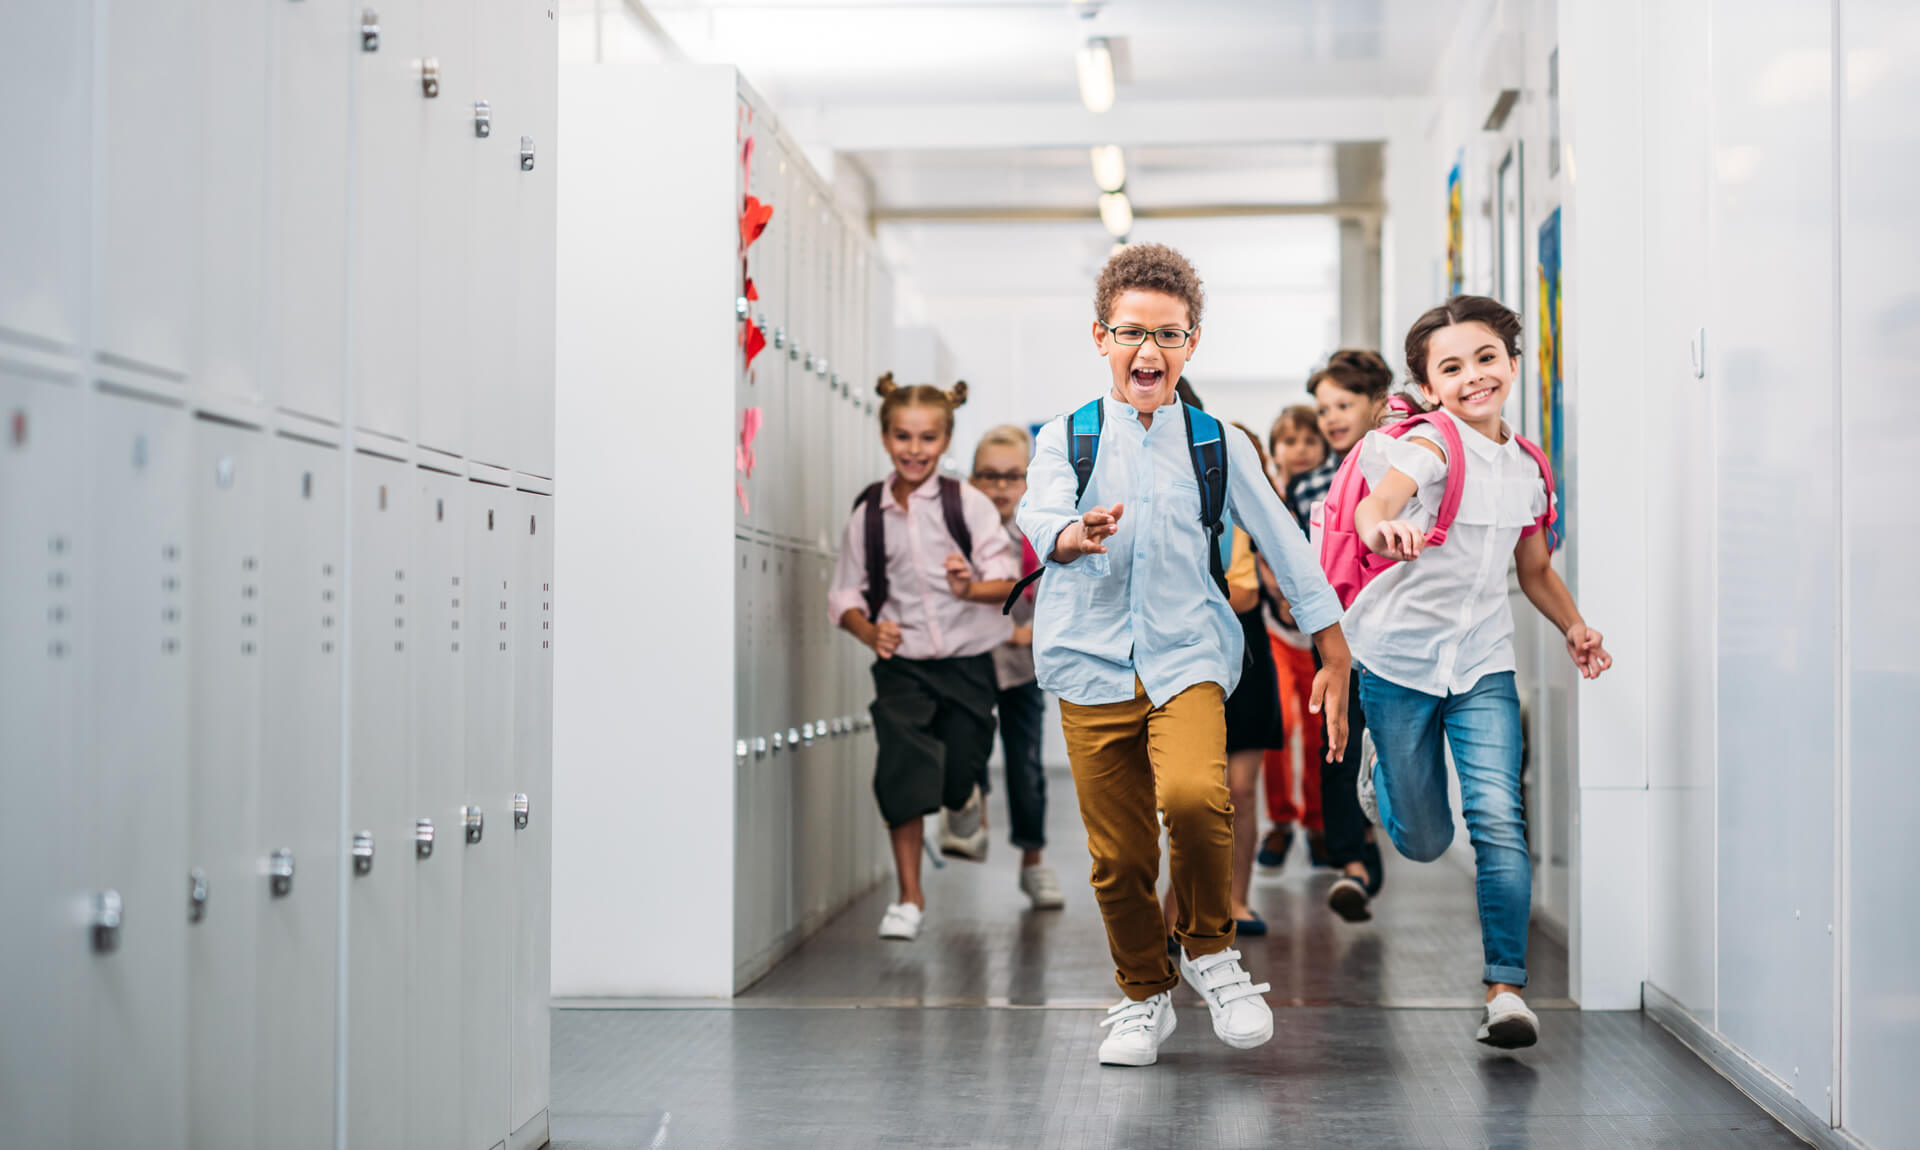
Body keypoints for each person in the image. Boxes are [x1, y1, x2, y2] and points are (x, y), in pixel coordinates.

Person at [1016, 244, 1351, 1068]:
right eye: (1132, 334)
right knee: (1118, 857)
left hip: (1187, 655)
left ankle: (1209, 951)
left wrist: (1335, 651)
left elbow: (1284, 541)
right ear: (1102, 337)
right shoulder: (1066, 437)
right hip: (1090, 662)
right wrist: (1071, 534)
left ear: (1192, 344)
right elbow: (1039, 515)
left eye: (1168, 336)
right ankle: (1141, 996)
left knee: (1201, 799)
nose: (1149, 352)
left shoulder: (1217, 443)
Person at [1347, 295, 1610, 1048]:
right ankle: (1385, 773)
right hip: (1396, 659)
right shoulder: (1429, 446)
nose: (1473, 377)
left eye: (1486, 358)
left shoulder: (1528, 466)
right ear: (1430, 387)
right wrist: (1386, 525)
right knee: (1426, 840)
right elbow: (1375, 508)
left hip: (1484, 661)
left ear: (1513, 365)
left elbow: (1533, 569)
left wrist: (1575, 626)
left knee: (1498, 819)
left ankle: (1505, 990)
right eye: (1451, 367)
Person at [828, 377, 1020, 942]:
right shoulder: (869, 513)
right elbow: (844, 593)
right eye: (903, 437)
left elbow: (1007, 580)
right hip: (903, 662)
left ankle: (965, 798)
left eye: (928, 438)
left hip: (966, 662)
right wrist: (870, 631)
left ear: (946, 440)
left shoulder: (970, 505)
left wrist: (969, 588)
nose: (915, 449)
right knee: (902, 768)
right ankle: (909, 896)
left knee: (961, 765)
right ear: (886, 437)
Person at [1289, 350, 1396, 922]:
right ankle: (1351, 862)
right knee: (1336, 741)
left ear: (1377, 403)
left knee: (1386, 743)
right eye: (1322, 407)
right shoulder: (1307, 485)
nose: (1329, 418)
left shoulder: (1402, 467)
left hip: (1394, 632)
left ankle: (1373, 835)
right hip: (1334, 633)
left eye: (1343, 405)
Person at [968, 424, 1066, 910]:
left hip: (1022, 664)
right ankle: (973, 819)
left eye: (1013, 477)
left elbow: (1059, 595)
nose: (1001, 487)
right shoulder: (961, 530)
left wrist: (1027, 634)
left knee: (1025, 765)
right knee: (968, 746)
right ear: (971, 480)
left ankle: (1033, 861)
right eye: (989, 476)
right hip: (970, 661)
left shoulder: (1037, 531)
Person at [1256, 406, 1332, 871]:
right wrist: (1279, 593)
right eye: (1289, 441)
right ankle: (1281, 821)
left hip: (1321, 635)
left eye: (1309, 441)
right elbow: (1259, 551)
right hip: (1277, 629)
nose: (1300, 450)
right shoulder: (1265, 496)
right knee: (1279, 726)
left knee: (1319, 730)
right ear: (1274, 451)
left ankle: (1317, 824)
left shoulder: (1327, 494)